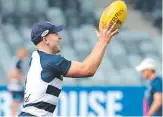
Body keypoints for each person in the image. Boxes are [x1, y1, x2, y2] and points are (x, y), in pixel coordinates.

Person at [18, 21, 119, 116]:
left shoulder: (38, 58)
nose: (60, 37)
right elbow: (88, 69)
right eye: (55, 34)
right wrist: (103, 41)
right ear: (45, 39)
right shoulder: (50, 61)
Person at [7, 47, 28, 116]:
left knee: (21, 101)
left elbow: (10, 74)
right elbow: (13, 74)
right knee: (16, 103)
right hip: (16, 86)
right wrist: (24, 78)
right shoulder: (18, 62)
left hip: (14, 86)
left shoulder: (16, 61)